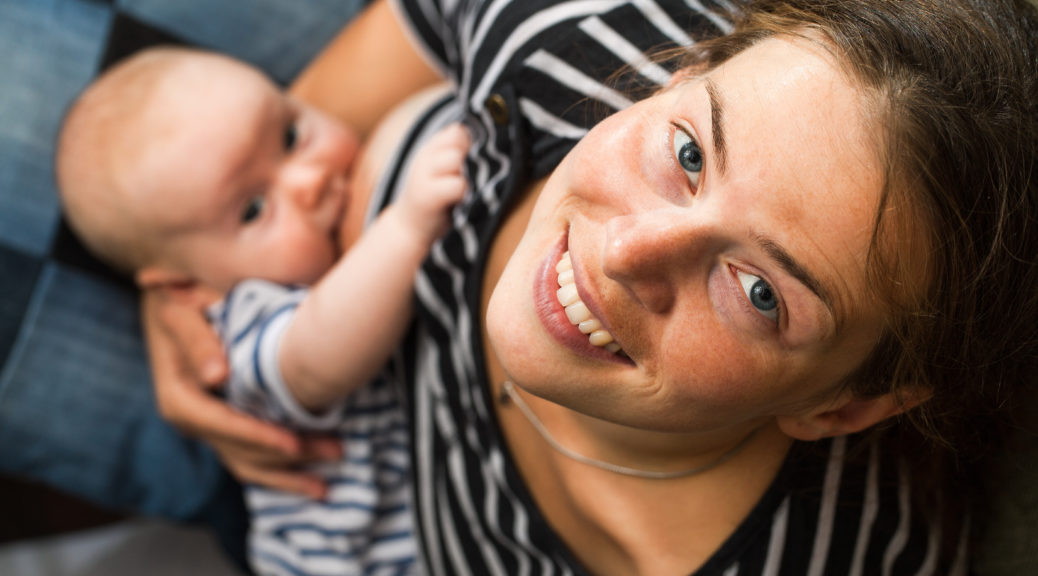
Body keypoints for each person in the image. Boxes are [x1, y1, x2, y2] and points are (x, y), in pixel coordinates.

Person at [99, 0, 1038, 574]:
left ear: (845, 404)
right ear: (687, 70)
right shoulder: (588, 36)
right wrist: (211, 253)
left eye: (758, 292)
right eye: (687, 151)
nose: (627, 253)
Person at [55, 46, 469, 575]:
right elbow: (317, 359)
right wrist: (408, 226)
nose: (309, 180)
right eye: (253, 209)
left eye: (291, 136)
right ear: (187, 287)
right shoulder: (243, 322)